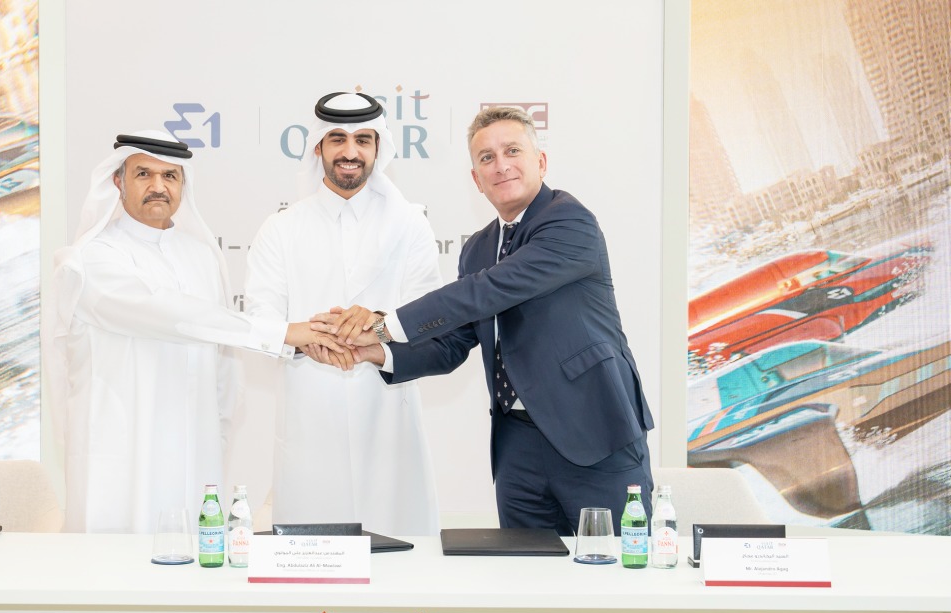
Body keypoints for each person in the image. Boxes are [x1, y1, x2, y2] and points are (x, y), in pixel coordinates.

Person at [318, 106, 654, 533]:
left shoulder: (569, 221)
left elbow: (487, 291)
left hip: (594, 434)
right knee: (523, 571)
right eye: (486, 158)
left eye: (512, 150)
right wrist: (378, 352)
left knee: (616, 568)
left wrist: (383, 324)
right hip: (516, 449)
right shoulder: (478, 248)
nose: (501, 165)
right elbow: (453, 343)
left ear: (541, 161)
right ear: (476, 179)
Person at [47, 130, 341, 534]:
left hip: (193, 450)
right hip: (120, 453)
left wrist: (216, 436)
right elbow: (170, 315)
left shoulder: (201, 256)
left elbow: (223, 363)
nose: (158, 186)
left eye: (170, 176)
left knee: (194, 555)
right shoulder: (89, 259)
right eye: (143, 174)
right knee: (115, 560)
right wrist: (284, 333)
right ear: (118, 181)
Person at [245, 92, 443, 537]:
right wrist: (306, 338)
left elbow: (429, 313)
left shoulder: (410, 224)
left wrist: (376, 325)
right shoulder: (281, 228)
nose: (350, 152)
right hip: (310, 414)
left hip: (389, 412)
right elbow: (261, 318)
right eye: (338, 139)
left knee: (399, 550)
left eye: (362, 140)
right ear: (318, 147)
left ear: (378, 148)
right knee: (313, 556)